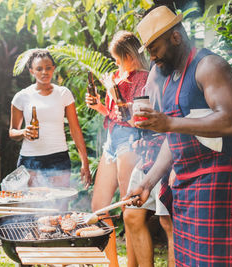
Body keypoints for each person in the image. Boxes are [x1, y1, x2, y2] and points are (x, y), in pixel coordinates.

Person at [126, 6, 232, 266]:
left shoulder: (209, 66)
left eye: (154, 48)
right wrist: (148, 182)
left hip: (220, 182)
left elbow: (229, 121)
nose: (152, 57)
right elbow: (176, 140)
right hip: (187, 188)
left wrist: (169, 121)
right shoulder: (168, 77)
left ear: (175, 37)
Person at [85, 30, 148, 267]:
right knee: (99, 207)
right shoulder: (116, 76)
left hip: (130, 142)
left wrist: (115, 93)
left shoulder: (144, 78)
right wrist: (100, 105)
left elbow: (135, 121)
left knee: (128, 211)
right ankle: (113, 263)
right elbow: (112, 115)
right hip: (111, 141)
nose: (116, 64)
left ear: (130, 55)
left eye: (118, 58)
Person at [9, 49, 91, 189]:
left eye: (48, 68)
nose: (44, 72)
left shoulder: (63, 93)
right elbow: (12, 132)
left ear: (53, 68)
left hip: (58, 158)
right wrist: (23, 132)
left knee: (59, 206)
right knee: (31, 207)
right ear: (31, 71)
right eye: (39, 69)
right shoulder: (22, 96)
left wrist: (85, 161)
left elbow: (75, 129)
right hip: (30, 160)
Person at [123, 64, 175, 267]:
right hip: (148, 156)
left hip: (172, 156)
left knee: (168, 224)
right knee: (132, 216)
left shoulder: (182, 77)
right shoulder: (155, 71)